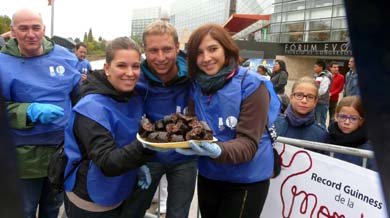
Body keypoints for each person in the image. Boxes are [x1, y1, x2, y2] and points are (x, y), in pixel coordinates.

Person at [176, 24, 280, 218]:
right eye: (199, 53)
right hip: (210, 175)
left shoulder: (252, 85)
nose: (206, 58)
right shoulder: (197, 85)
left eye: (213, 49)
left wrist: (218, 150)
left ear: (226, 48)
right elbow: (192, 125)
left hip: (246, 179)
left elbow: (249, 144)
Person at [0, 9, 80, 218]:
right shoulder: (2, 63)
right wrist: (29, 111)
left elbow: (80, 98)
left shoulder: (66, 58)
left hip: (61, 151)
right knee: (24, 210)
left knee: (52, 208)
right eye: (23, 28)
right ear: (13, 31)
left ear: (44, 29)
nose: (31, 34)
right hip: (22, 156)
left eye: (36, 28)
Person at [63, 37, 156, 217]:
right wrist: (146, 146)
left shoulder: (132, 97)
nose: (130, 73)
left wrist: (139, 164)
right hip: (91, 199)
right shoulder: (91, 107)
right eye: (121, 65)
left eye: (135, 66)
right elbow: (107, 161)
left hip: (120, 189)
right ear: (107, 68)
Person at [121, 20, 197, 218]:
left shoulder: (194, 75)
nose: (161, 57)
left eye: (167, 49)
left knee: (178, 214)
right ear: (144, 50)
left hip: (185, 158)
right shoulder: (135, 78)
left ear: (177, 47)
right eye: (153, 51)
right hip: (148, 157)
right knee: (133, 211)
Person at [327, 96, 377, 170]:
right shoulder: (326, 137)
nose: (347, 122)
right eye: (343, 117)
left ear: (361, 121)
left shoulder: (369, 147)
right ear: (336, 116)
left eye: (353, 118)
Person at [274, 77, 328, 143]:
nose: (304, 101)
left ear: (315, 101)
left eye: (310, 97)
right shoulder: (274, 124)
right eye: (299, 95)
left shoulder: (321, 134)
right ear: (291, 97)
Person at [313, 60, 332, 127]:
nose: (314, 68)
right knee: (315, 120)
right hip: (316, 101)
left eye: (315, 67)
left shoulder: (325, 76)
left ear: (321, 67)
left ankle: (322, 135)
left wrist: (313, 94)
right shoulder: (317, 76)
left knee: (320, 121)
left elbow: (323, 90)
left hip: (322, 102)